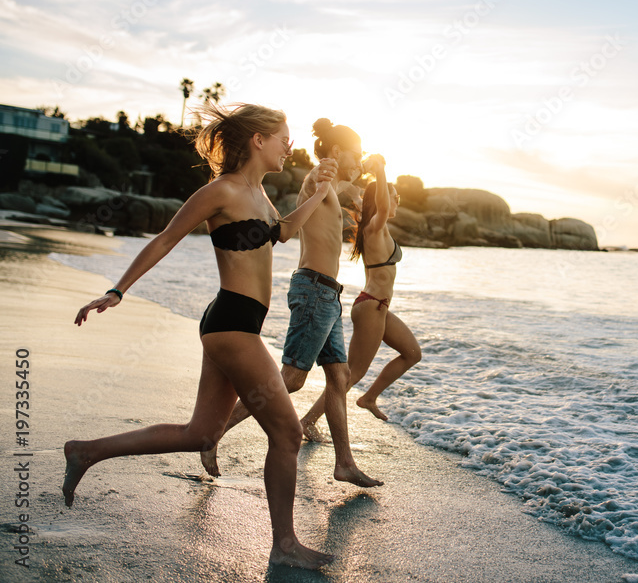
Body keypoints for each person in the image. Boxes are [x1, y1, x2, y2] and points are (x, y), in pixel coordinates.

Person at [64, 104, 335, 570]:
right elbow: (166, 238)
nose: (289, 147)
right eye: (283, 138)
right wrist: (116, 291)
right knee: (288, 434)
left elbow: (285, 233)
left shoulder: (259, 195)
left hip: (236, 323)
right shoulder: (221, 191)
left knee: (201, 433)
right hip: (231, 324)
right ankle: (285, 544)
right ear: (257, 140)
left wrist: (320, 192)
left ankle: (86, 451)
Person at [200, 119, 382, 488]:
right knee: (292, 380)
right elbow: (318, 185)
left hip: (328, 293)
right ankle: (212, 435)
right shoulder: (318, 179)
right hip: (314, 291)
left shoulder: (333, 185)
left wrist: (369, 172)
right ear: (335, 153)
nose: (359, 160)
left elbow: (348, 188)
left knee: (338, 376)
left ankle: (344, 463)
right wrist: (325, 171)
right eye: (355, 153)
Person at [300, 153, 421, 429]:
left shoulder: (379, 229)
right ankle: (307, 421)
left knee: (412, 353)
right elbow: (377, 201)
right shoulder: (374, 227)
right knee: (349, 376)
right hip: (371, 307)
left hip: (379, 307)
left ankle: (369, 398)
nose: (397, 202)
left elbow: (369, 197)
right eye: (394, 196)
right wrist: (380, 171)